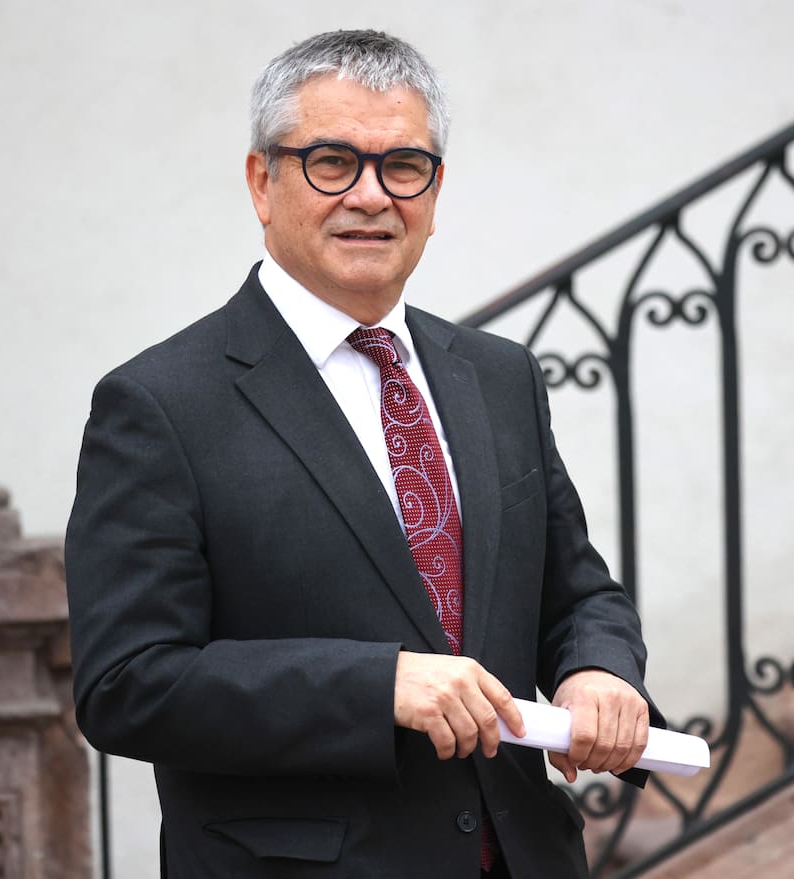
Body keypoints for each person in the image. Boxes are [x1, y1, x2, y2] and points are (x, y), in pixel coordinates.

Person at [65, 29, 663, 879]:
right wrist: (377, 686)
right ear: (261, 182)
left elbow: (577, 594)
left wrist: (598, 668)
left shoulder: (499, 375)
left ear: (435, 191)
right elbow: (127, 683)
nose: (371, 195)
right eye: (332, 162)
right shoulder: (159, 403)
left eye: (403, 166)